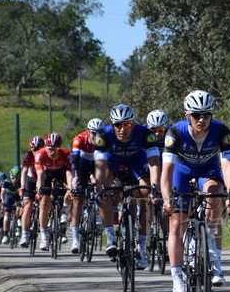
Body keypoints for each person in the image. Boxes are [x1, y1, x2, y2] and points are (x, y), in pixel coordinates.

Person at [161, 90, 230, 292]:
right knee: (176, 223)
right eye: (196, 115)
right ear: (187, 115)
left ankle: (210, 238)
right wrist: (167, 198)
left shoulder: (221, 131)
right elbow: (167, 170)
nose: (202, 120)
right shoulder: (174, 133)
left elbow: (228, 165)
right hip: (182, 172)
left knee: (215, 192)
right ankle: (177, 280)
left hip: (208, 170)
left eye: (206, 114)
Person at [93, 104, 160, 268]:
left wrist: (154, 188)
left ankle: (142, 248)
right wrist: (99, 188)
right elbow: (100, 166)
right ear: (112, 125)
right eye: (117, 125)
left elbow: (154, 165)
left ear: (133, 124)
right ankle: (110, 237)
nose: (122, 129)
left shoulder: (145, 134)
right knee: (103, 188)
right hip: (113, 161)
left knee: (146, 196)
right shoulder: (103, 135)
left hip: (137, 162)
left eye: (127, 125)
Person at [68, 118, 104, 253]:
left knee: (101, 186)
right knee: (77, 200)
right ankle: (75, 239)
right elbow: (75, 159)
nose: (96, 136)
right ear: (88, 132)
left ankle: (97, 212)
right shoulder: (80, 138)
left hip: (97, 164)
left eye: (99, 133)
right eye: (94, 133)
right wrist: (76, 177)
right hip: (82, 165)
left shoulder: (104, 139)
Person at [34, 133, 73, 252]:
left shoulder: (67, 155)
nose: (52, 152)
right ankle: (44, 236)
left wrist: (71, 188)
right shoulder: (40, 155)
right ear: (46, 147)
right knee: (44, 203)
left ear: (60, 148)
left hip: (62, 173)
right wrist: (40, 189)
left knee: (71, 190)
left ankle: (64, 211)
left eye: (55, 149)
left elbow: (69, 174)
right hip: (47, 174)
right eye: (50, 149)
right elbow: (40, 175)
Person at [19, 136, 45, 248]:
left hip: (43, 179)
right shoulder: (28, 155)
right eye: (34, 149)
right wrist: (22, 186)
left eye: (39, 148)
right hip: (31, 180)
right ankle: (24, 235)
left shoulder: (46, 154)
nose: (36, 151)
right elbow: (24, 171)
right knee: (28, 206)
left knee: (46, 202)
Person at [0, 166, 23, 244]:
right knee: (6, 216)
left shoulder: (21, 182)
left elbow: (22, 194)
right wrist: (3, 202)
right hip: (8, 196)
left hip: (17, 196)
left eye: (17, 178)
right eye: (13, 178)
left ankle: (18, 222)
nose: (15, 180)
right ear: (10, 176)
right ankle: (5, 235)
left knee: (19, 207)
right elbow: (2, 193)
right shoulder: (6, 182)